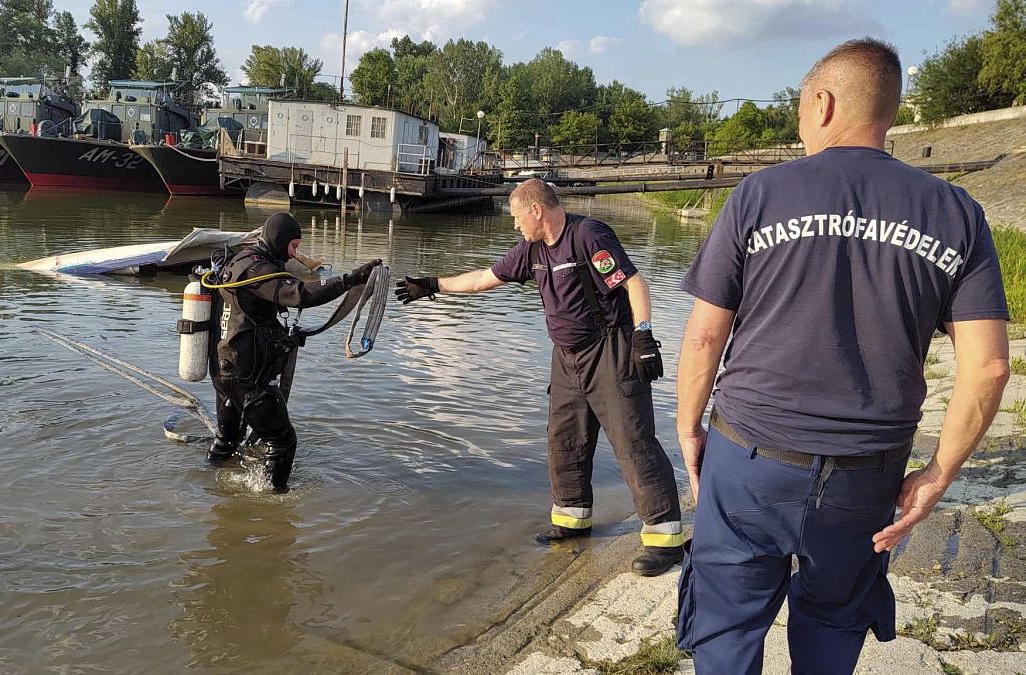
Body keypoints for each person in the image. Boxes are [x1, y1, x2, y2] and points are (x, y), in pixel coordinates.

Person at [674, 38, 1010, 674]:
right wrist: (937, 476)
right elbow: (990, 367)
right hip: (865, 474)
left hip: (748, 458)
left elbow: (701, 338)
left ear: (822, 103)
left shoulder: (759, 195)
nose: (800, 127)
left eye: (801, 111)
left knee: (725, 626)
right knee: (833, 620)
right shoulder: (954, 211)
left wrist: (690, 428)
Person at [396, 179, 685, 576]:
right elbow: (483, 279)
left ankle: (665, 537)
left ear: (536, 211)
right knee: (564, 438)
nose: (515, 226)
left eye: (517, 218)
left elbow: (634, 283)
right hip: (565, 358)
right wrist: (431, 286)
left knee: (632, 440)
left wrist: (644, 334)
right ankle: (572, 519)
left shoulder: (588, 236)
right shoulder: (531, 251)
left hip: (610, 350)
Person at [207, 212, 380, 493]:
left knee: (227, 441)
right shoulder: (258, 270)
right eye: (294, 246)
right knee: (283, 441)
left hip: (224, 370)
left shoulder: (237, 261)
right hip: (248, 379)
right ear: (280, 240)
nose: (295, 253)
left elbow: (249, 314)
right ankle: (273, 506)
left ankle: (208, 486)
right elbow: (301, 294)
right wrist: (351, 279)